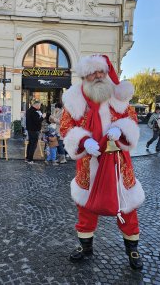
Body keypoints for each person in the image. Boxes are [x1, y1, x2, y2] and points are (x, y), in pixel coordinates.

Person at [60, 54, 145, 270]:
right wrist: (83, 140)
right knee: (86, 207)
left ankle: (132, 249)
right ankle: (85, 247)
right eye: (92, 73)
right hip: (89, 163)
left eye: (101, 72)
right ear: (85, 77)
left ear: (107, 73)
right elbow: (66, 127)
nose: (98, 76)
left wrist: (122, 128)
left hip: (118, 162)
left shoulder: (120, 98)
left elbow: (132, 119)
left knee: (126, 207)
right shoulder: (73, 101)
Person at [25, 99, 46, 164]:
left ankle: (27, 158)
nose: (40, 106)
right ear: (36, 105)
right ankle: (30, 159)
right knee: (33, 145)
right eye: (39, 105)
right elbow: (37, 121)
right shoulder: (34, 112)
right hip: (34, 130)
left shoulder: (29, 110)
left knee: (30, 144)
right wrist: (42, 117)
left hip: (30, 129)